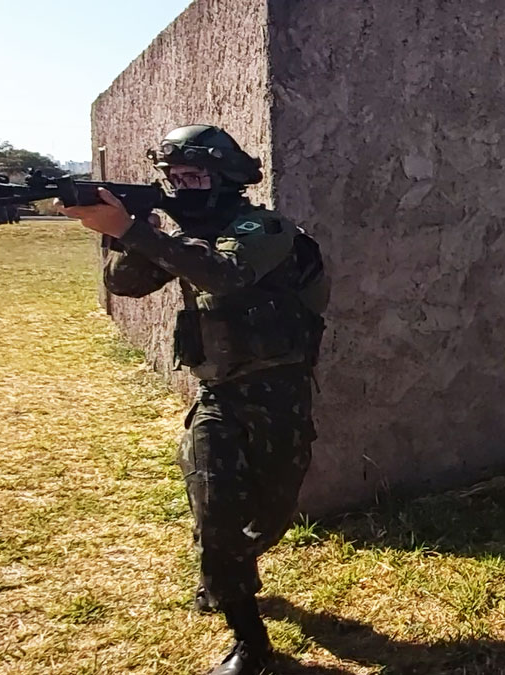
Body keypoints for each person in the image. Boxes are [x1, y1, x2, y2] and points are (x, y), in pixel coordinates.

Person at [57, 124, 329, 675]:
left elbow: (225, 273)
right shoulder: (179, 237)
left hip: (278, 395)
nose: (184, 187)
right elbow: (125, 286)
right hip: (217, 396)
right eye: (175, 177)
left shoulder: (266, 227)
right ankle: (250, 641)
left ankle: (234, 564)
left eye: (196, 176)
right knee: (215, 515)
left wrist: (139, 230)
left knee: (274, 511)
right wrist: (129, 233)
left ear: (227, 178)